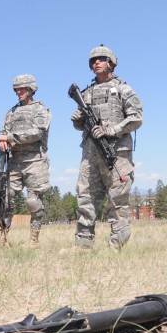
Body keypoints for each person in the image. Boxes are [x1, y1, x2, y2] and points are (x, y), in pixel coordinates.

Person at [70, 45, 142, 250]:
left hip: (116, 154)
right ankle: (83, 245)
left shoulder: (123, 89)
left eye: (101, 59)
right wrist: (78, 120)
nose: (96, 63)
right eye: (93, 61)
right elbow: (80, 126)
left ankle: (116, 246)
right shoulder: (86, 94)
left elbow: (137, 118)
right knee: (86, 198)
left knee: (117, 199)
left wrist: (113, 130)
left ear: (111, 62)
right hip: (90, 154)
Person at [0, 74, 52, 247]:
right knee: (6, 199)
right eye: (16, 89)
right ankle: (2, 237)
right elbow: (3, 133)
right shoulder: (11, 112)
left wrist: (9, 136)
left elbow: (38, 132)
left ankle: (33, 239)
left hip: (35, 161)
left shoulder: (41, 110)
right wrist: (3, 141)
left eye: (22, 89)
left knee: (33, 201)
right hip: (14, 162)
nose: (18, 92)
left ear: (31, 89)